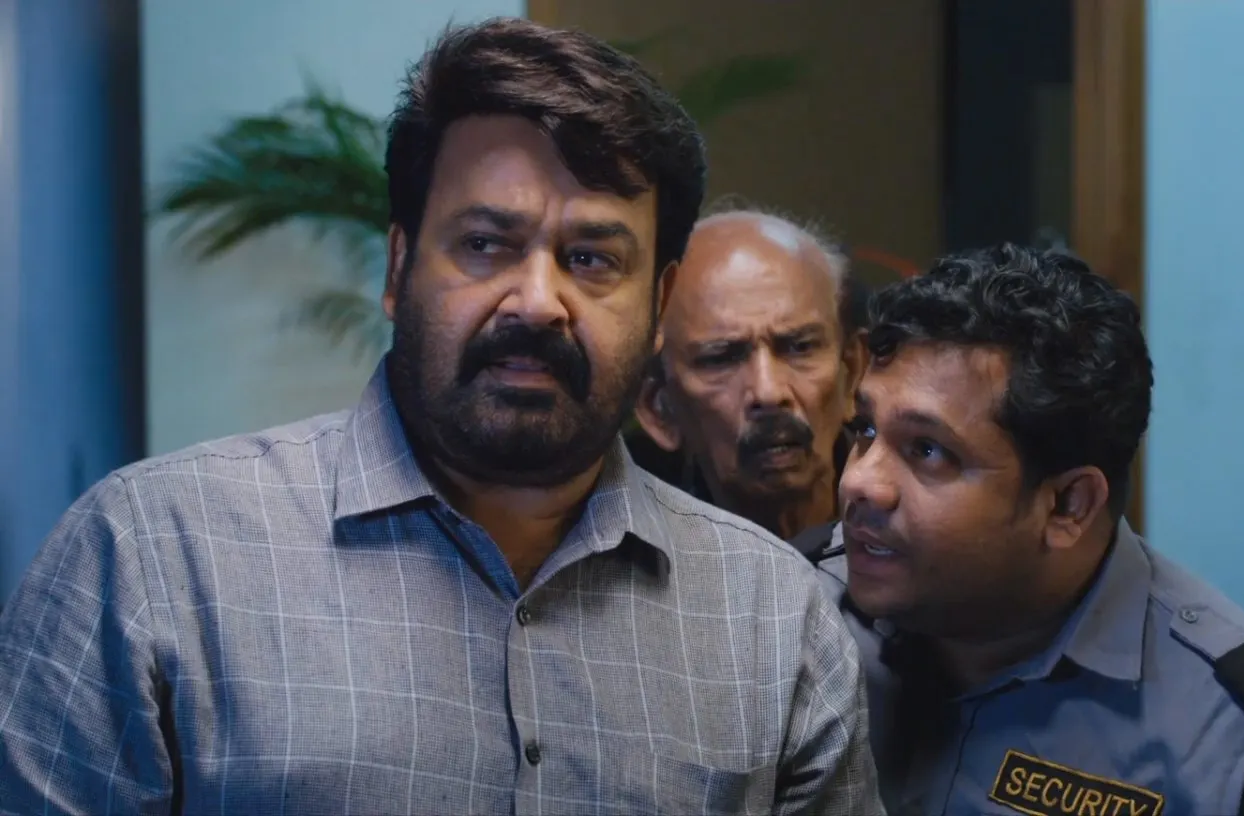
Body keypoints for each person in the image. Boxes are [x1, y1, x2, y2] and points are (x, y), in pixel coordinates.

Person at [0, 18, 880, 814]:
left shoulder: (773, 620)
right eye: (485, 244)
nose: (537, 301)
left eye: (591, 258)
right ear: (398, 269)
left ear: (659, 304)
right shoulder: (155, 561)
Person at [815, 244, 1244, 815]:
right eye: (865, 430)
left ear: (1069, 505)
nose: (860, 481)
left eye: (928, 450)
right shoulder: (796, 614)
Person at [633, 207, 869, 554]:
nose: (769, 392)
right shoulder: (638, 560)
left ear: (851, 374)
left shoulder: (924, 546)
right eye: (721, 359)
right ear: (659, 409)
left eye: (800, 348)